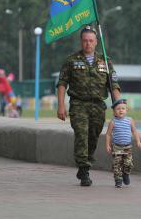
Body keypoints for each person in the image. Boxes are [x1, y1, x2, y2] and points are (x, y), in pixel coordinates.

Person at [56, 25, 121, 186]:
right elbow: (62, 84)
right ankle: (84, 170)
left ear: (96, 42)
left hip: (98, 106)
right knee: (82, 134)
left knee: (93, 136)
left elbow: (114, 86)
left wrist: (119, 107)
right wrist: (61, 106)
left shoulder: (105, 61)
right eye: (85, 41)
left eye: (91, 41)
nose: (88, 44)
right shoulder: (71, 61)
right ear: (81, 41)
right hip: (79, 104)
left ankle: (85, 163)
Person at [105, 99, 141, 188]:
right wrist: (107, 145)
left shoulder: (129, 120)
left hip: (127, 147)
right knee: (116, 164)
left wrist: (138, 141)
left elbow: (134, 131)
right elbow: (108, 135)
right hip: (117, 147)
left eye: (123, 108)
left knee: (128, 163)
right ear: (114, 111)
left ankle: (126, 174)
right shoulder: (113, 122)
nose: (121, 110)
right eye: (118, 109)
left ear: (126, 110)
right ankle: (118, 180)